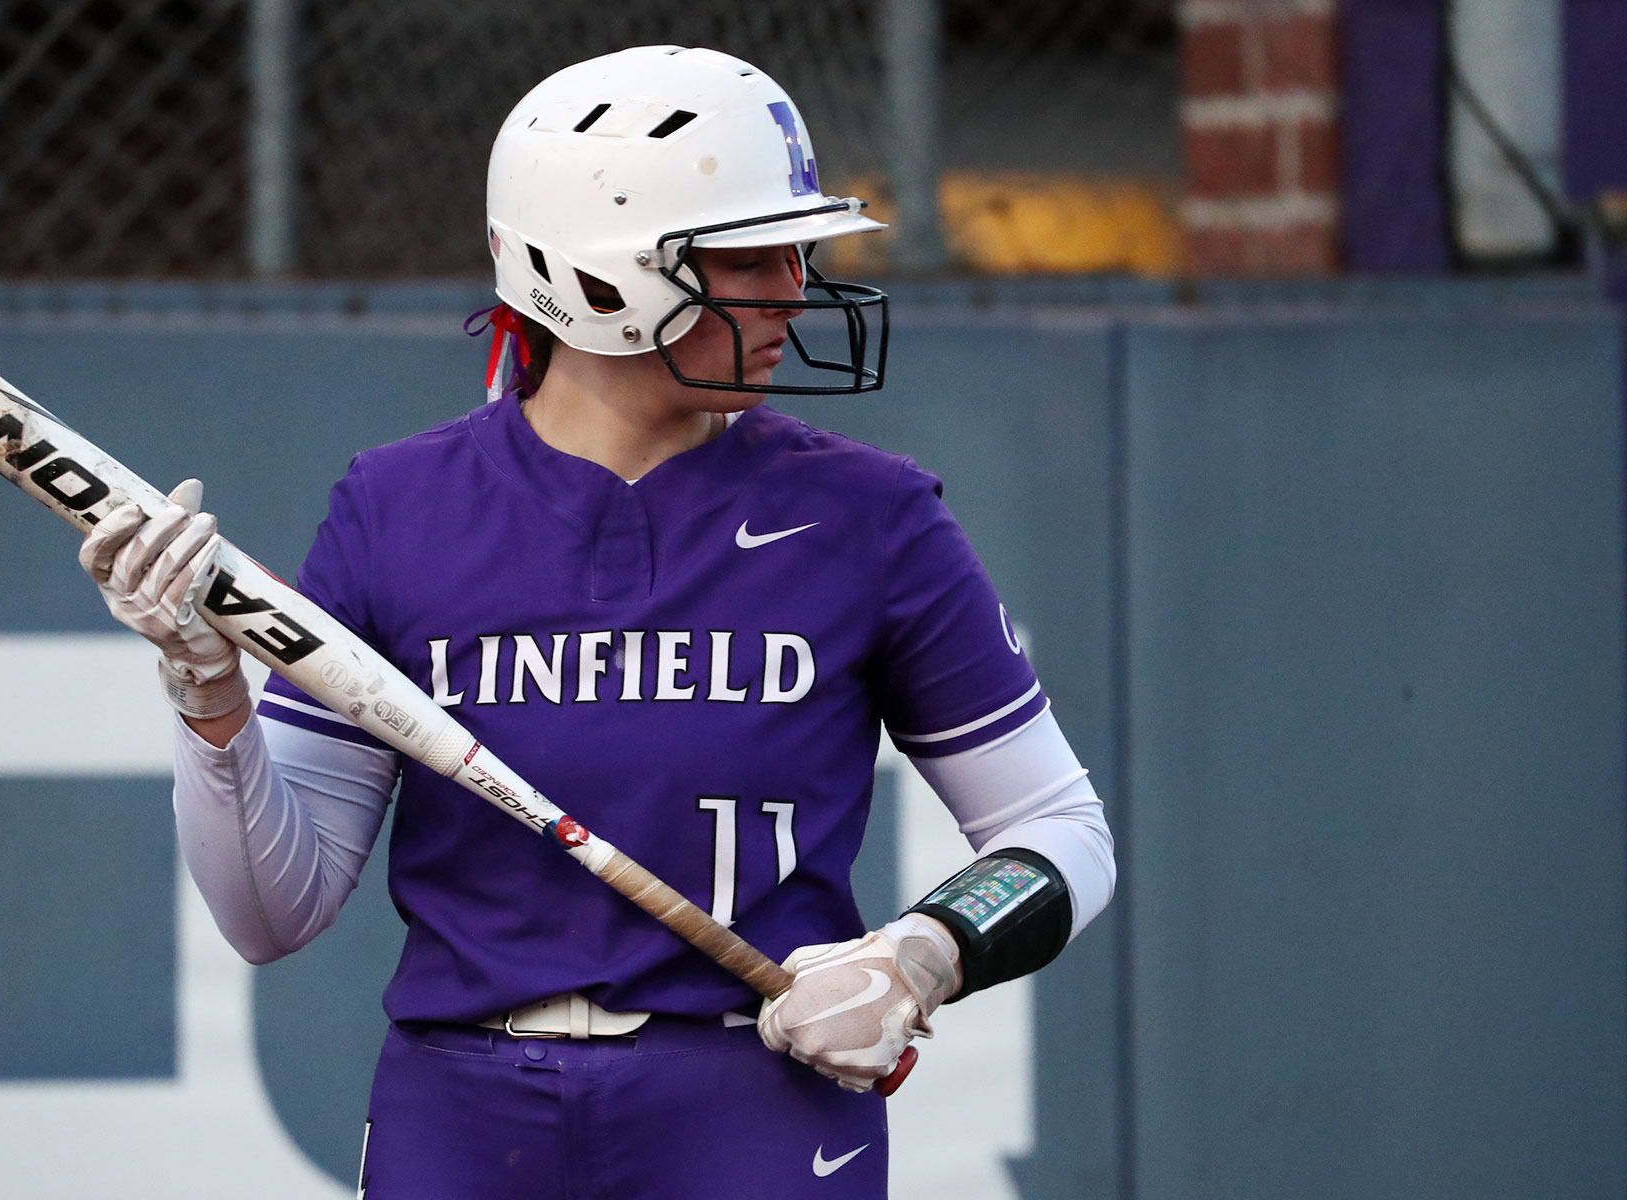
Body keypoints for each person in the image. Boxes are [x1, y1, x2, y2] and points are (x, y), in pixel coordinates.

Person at [80, 45, 1114, 1198]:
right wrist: (207, 696)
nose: (796, 287)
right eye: (749, 257)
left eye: (796, 250)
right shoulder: (397, 510)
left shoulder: (870, 517)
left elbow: (1058, 830)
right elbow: (272, 913)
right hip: (462, 1112)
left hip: (753, 1109)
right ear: (603, 278)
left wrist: (921, 958)